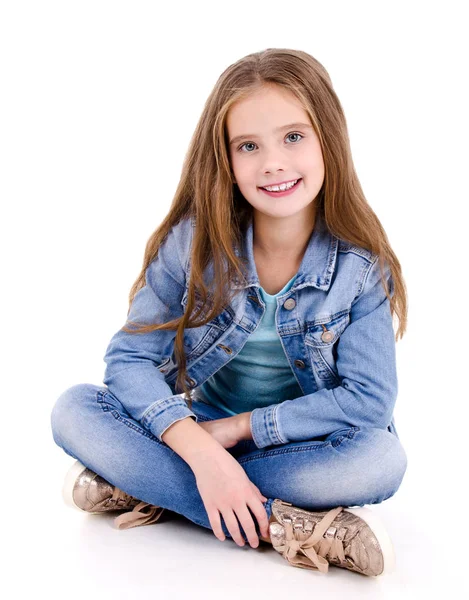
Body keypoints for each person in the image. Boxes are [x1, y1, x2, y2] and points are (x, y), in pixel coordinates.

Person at [50, 47, 408, 577]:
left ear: (328, 139)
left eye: (293, 136)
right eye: (248, 145)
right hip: (197, 433)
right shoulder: (192, 244)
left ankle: (147, 484)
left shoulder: (360, 268)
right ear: (226, 159)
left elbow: (369, 403)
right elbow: (129, 360)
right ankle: (286, 527)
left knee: (381, 461)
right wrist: (197, 446)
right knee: (73, 409)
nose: (273, 163)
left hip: (295, 448)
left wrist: (236, 434)